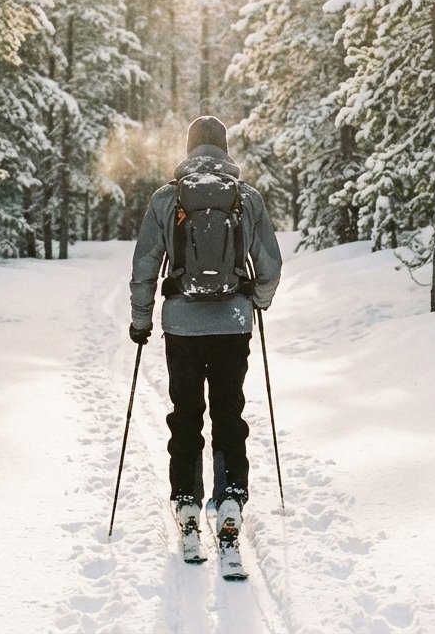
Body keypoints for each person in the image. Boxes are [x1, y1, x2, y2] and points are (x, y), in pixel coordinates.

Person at [128, 115, 282, 550]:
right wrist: (256, 302)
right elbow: (270, 266)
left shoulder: (167, 198)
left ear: (190, 148)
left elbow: (144, 268)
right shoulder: (247, 198)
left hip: (181, 325)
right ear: (225, 148)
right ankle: (230, 499)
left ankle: (187, 502)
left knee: (186, 413)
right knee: (229, 412)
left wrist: (141, 321)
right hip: (233, 323)